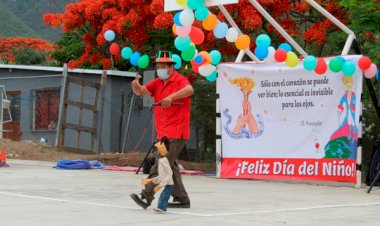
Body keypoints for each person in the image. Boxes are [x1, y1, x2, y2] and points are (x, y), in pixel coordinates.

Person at [130, 50, 194, 209]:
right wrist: (135, 85)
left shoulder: (180, 80)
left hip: (176, 131)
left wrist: (171, 97)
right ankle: (182, 198)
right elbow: (140, 91)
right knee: (170, 166)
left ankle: (146, 196)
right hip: (163, 131)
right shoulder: (157, 82)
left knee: (160, 164)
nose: (160, 69)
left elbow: (189, 90)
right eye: (158, 66)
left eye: (163, 66)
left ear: (171, 67)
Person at [141, 136, 173, 213]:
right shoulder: (161, 160)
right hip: (166, 183)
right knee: (163, 196)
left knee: (164, 196)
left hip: (169, 183)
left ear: (162, 150)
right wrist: (150, 180)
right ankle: (161, 208)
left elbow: (169, 174)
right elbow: (160, 176)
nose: (156, 152)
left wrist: (160, 185)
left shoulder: (164, 161)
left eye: (157, 150)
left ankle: (162, 208)